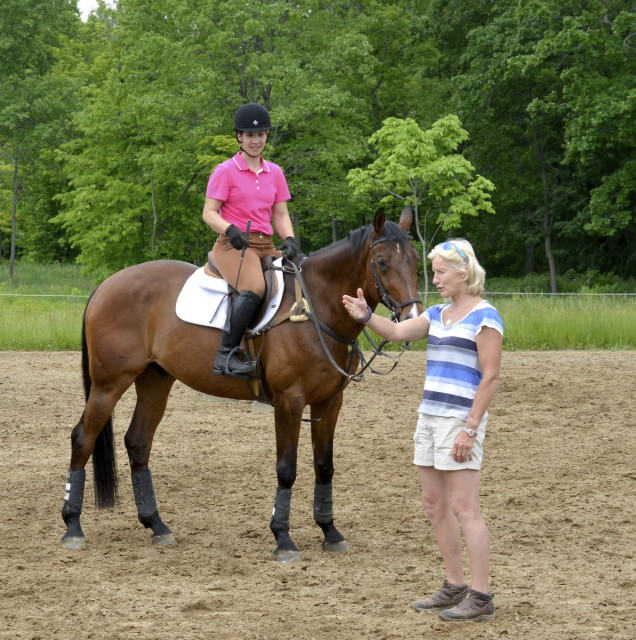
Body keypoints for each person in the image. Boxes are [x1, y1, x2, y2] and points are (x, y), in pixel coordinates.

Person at [342, 238, 503, 622]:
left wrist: (470, 427)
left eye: (441, 272)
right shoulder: (435, 313)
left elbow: (491, 376)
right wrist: (366, 316)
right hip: (429, 416)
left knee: (465, 508)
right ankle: (454, 585)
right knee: (434, 505)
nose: (436, 279)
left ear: (464, 272)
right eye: (435, 272)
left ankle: (481, 595)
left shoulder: (485, 315)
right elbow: (396, 333)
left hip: (459, 421)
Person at [202, 103, 300, 378]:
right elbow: (208, 212)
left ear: (266, 136)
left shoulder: (275, 172)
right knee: (255, 287)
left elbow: (280, 214)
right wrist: (229, 228)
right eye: (250, 135)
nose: (256, 141)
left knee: (301, 278)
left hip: (266, 245)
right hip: (233, 246)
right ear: (239, 137)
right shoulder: (225, 171)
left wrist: (289, 238)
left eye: (261, 135)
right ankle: (226, 354)